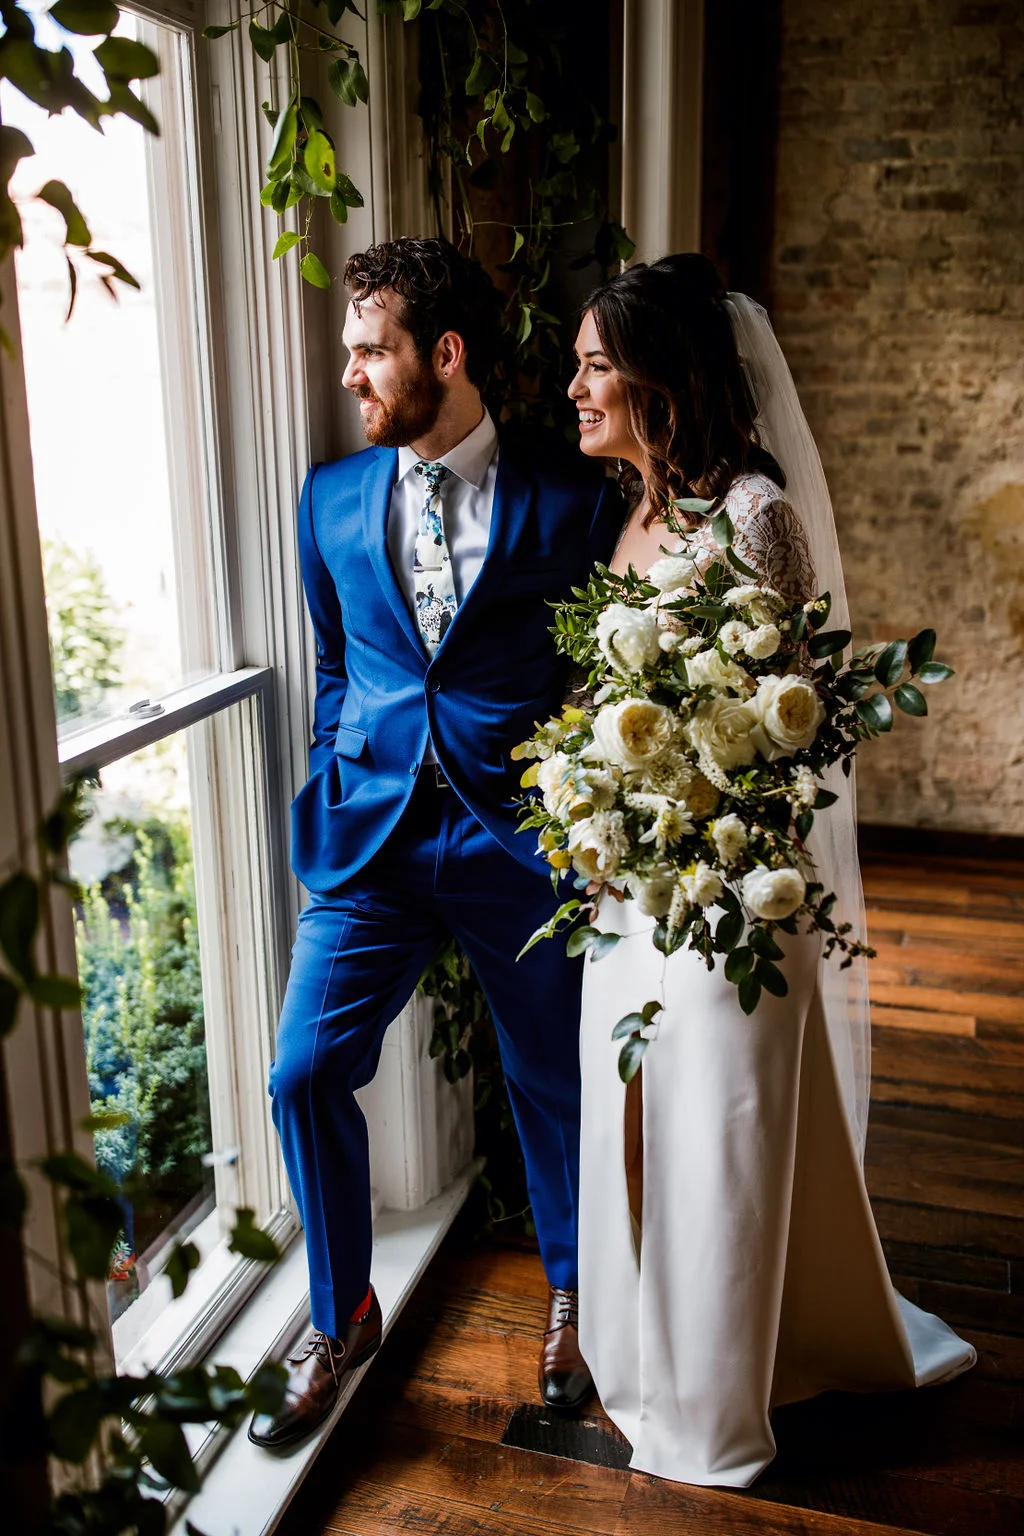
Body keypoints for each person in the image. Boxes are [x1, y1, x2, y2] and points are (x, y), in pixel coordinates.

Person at [567, 254, 975, 1487]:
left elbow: (799, 726)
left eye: (596, 365)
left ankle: (715, 1406)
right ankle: (656, 1351)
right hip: (630, 889)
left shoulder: (756, 514)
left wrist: (702, 832)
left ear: (662, 381)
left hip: (732, 890)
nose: (573, 386)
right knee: (634, 1119)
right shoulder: (635, 515)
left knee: (719, 1134)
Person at [249, 238, 622, 1449]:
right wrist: (332, 761)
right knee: (303, 1072)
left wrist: (580, 813)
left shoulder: (570, 498)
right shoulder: (328, 498)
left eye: (370, 351)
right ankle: (340, 1311)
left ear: (443, 355)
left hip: (520, 845)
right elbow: (334, 662)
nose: (351, 376)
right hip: (370, 845)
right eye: (350, 352)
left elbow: (597, 669)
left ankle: (570, 1299)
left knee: (550, 1086)